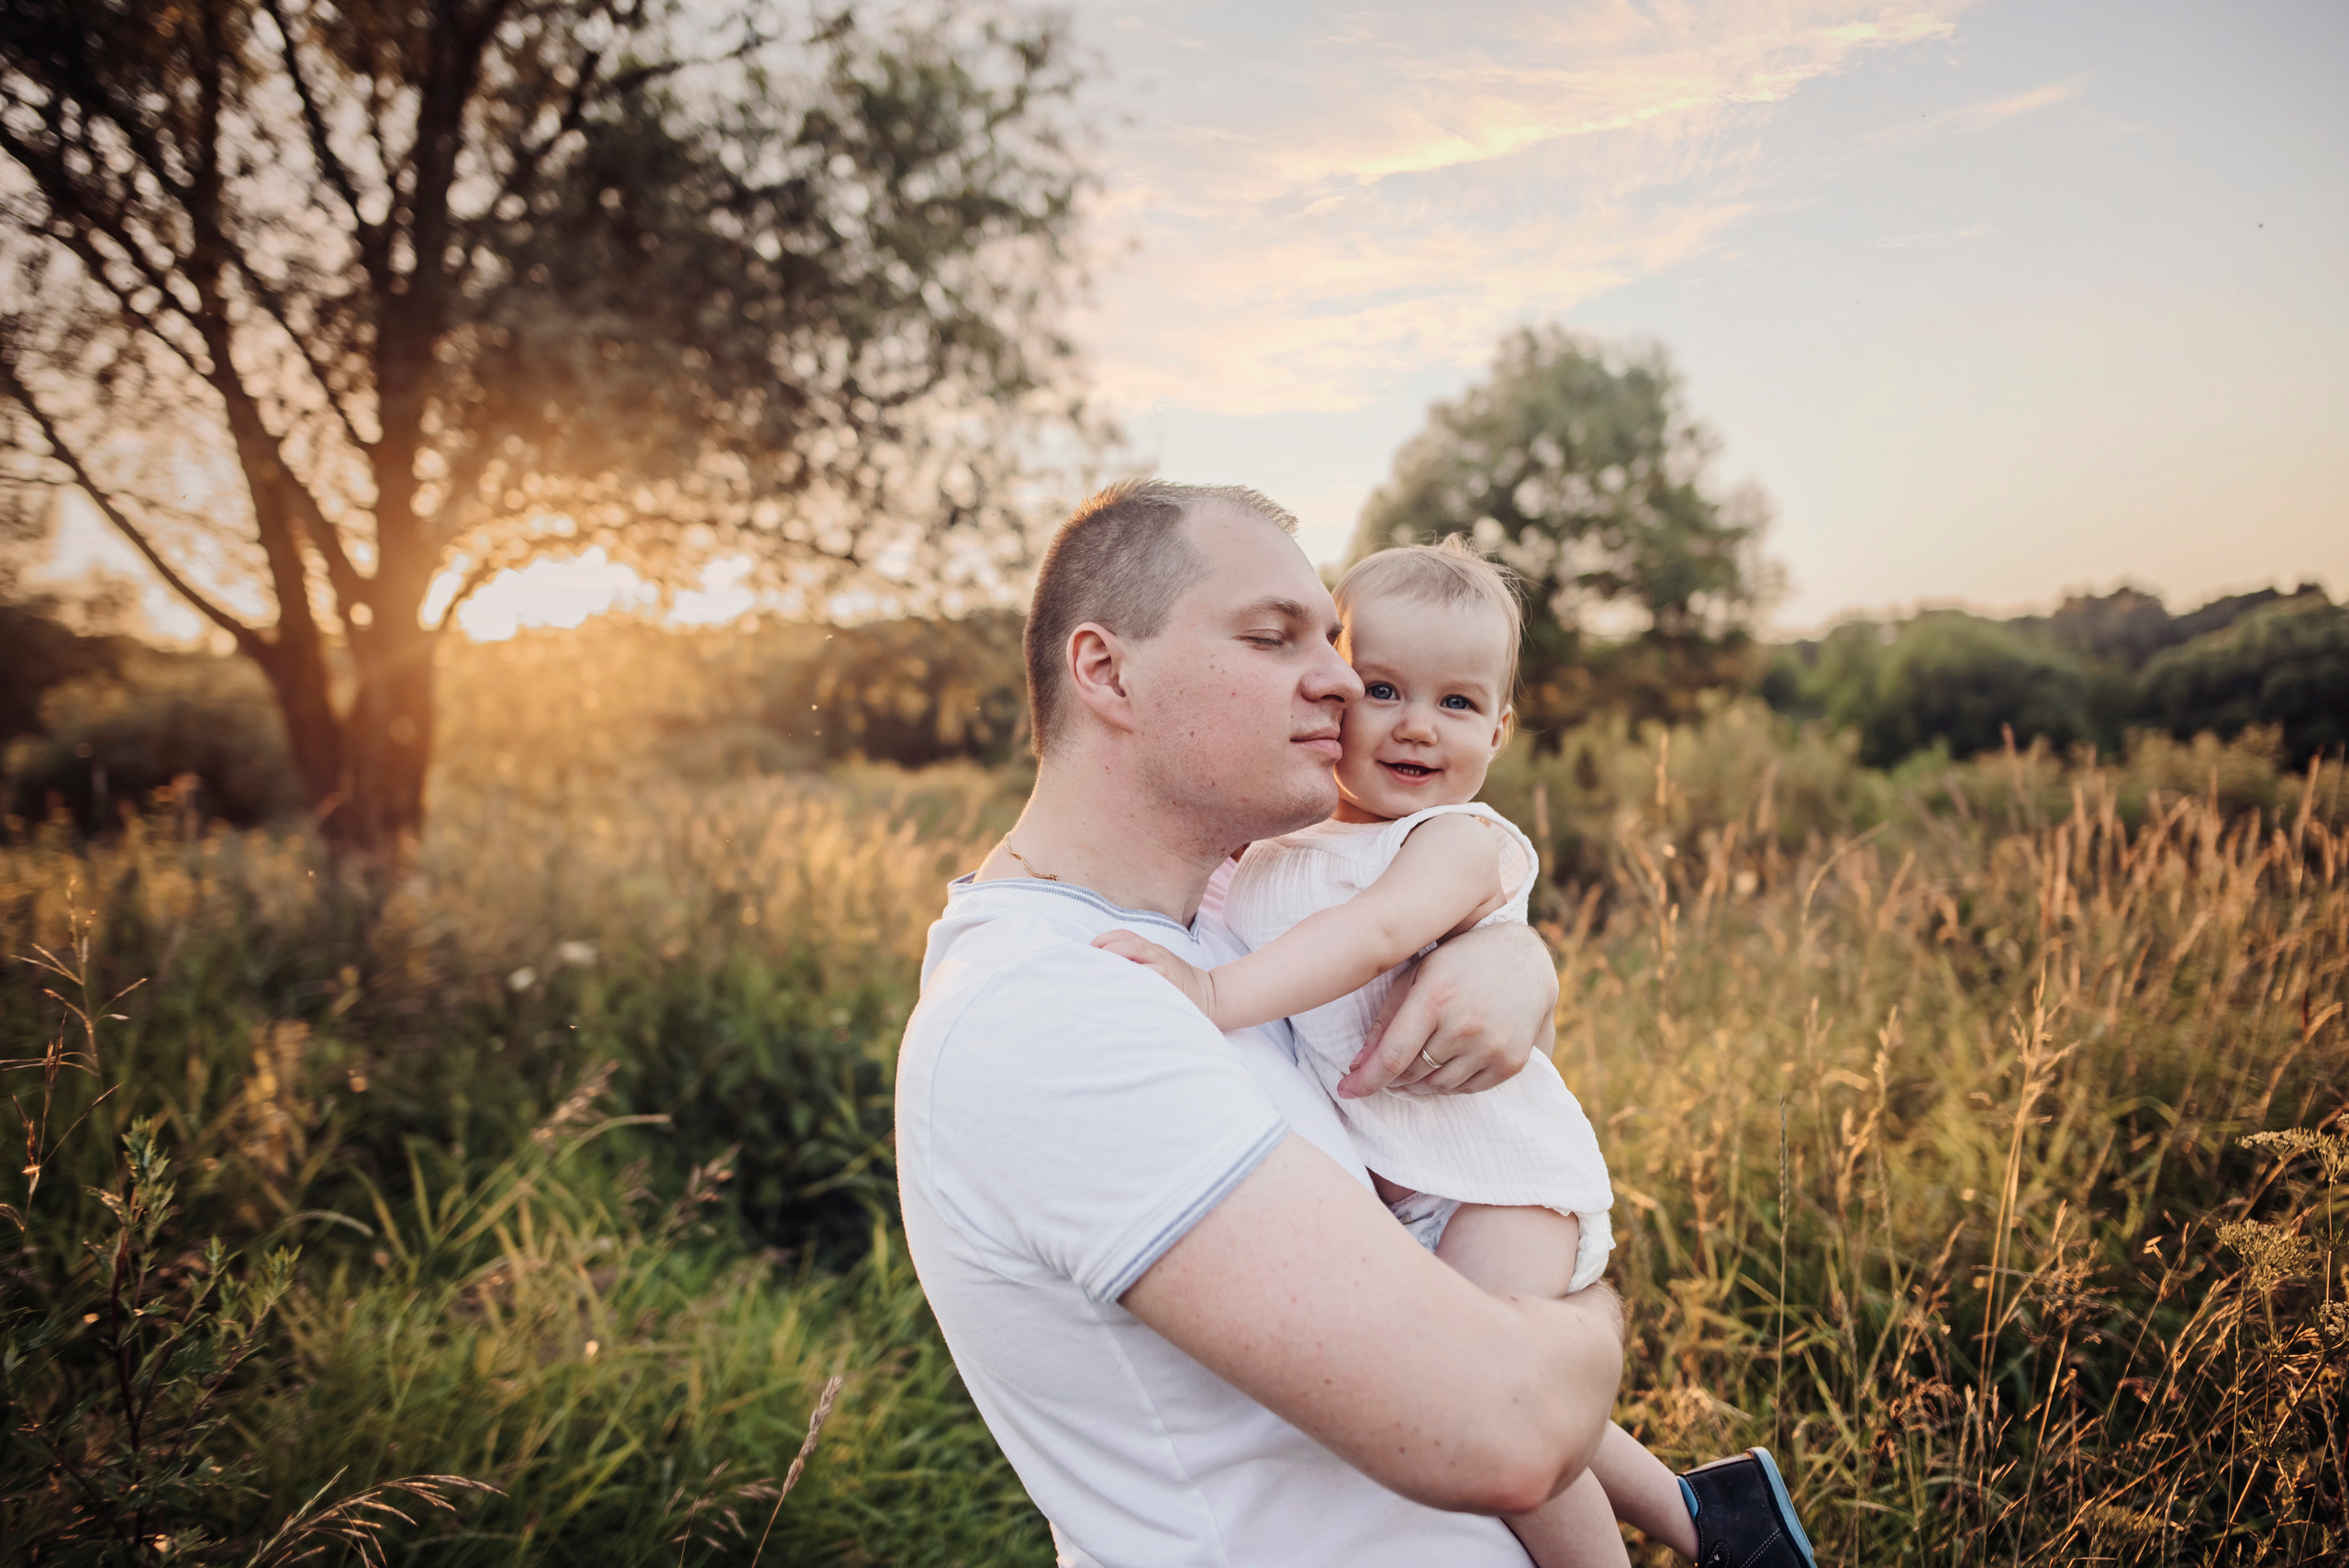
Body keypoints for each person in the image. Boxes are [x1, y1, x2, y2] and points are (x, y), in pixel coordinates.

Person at [896, 480, 1621, 1566]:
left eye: (1330, 639)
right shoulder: (1051, 1010)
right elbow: (1509, 1423)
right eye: (1275, 636)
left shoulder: (1206, 936)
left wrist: (1510, 952)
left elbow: (1377, 937)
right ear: (1105, 669)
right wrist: (1593, 1316)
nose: (1338, 680)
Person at [1094, 539, 1820, 1568]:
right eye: (1382, 687)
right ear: (1332, 690)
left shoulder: (1457, 841)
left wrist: (1213, 995)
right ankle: (1722, 1520)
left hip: (1496, 1182)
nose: (1414, 726)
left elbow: (1379, 933)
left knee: (1498, 1392)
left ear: (1500, 728)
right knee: (1465, 1373)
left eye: (1456, 703)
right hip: (1407, 1189)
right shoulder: (1270, 850)